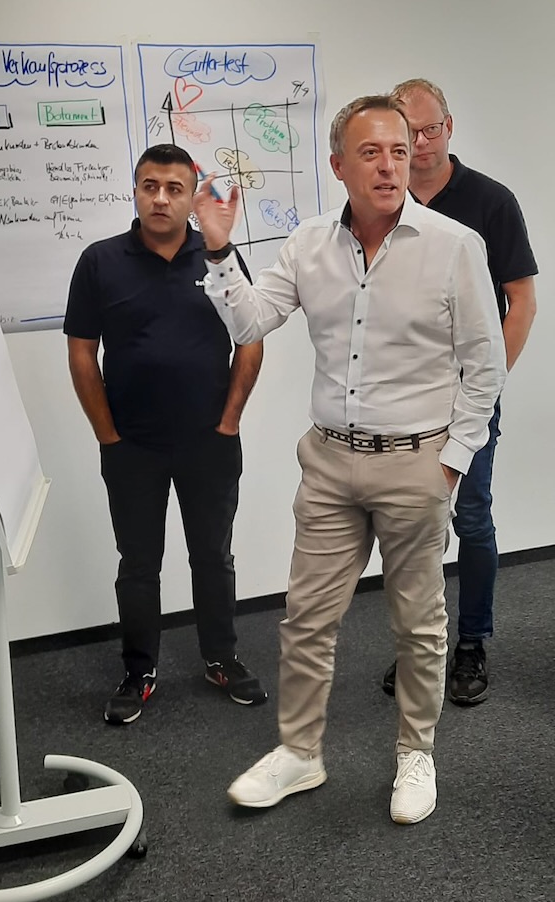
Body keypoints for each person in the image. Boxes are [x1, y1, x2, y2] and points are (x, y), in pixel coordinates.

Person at [193, 95, 506, 825]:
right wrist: (218, 248)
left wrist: (453, 461)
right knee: (306, 617)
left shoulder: (455, 245)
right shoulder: (308, 244)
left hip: (416, 463)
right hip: (331, 462)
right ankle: (300, 752)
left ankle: (416, 753)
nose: (390, 165)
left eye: (399, 150)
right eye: (371, 153)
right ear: (338, 166)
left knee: (418, 623)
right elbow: (251, 320)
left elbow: (484, 365)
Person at [64, 143, 267, 725]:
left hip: (209, 441)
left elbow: (250, 338)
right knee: (138, 563)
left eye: (175, 188)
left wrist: (229, 421)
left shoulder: (219, 256)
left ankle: (221, 658)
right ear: (135, 191)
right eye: (149, 186)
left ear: (191, 197)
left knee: (213, 555)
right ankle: (139, 670)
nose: (160, 198)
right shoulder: (100, 261)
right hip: (132, 445)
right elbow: (82, 352)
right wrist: (108, 436)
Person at [380, 79, 537, 706]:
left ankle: (471, 641)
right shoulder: (381, 201)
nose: (420, 143)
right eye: (408, 133)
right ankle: (419, 644)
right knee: (409, 527)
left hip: (469, 399)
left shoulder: (490, 201)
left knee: (470, 517)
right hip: (402, 401)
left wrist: (487, 384)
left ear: (450, 127)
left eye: (431, 129)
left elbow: (521, 301)